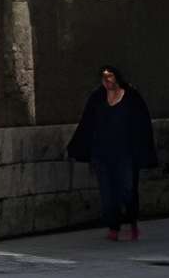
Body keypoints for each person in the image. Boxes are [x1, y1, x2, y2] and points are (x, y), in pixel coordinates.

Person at [67, 64, 156, 240]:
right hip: (102, 153)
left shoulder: (131, 97)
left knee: (127, 189)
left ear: (117, 77)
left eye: (110, 77)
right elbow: (88, 123)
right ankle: (113, 226)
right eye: (104, 77)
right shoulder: (98, 97)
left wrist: (141, 150)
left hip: (126, 153)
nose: (107, 81)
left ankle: (131, 223)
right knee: (107, 192)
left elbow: (142, 125)